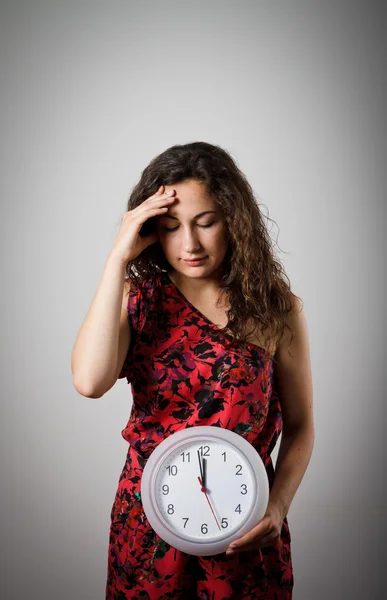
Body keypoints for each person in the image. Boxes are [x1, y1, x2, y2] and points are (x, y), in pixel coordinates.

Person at [71, 141, 314, 599]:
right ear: (151, 231)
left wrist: (277, 508)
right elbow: (88, 381)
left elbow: (301, 427)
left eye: (206, 223)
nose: (190, 244)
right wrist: (117, 260)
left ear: (234, 221)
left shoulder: (275, 309)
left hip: (246, 529)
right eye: (170, 227)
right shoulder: (138, 300)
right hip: (147, 527)